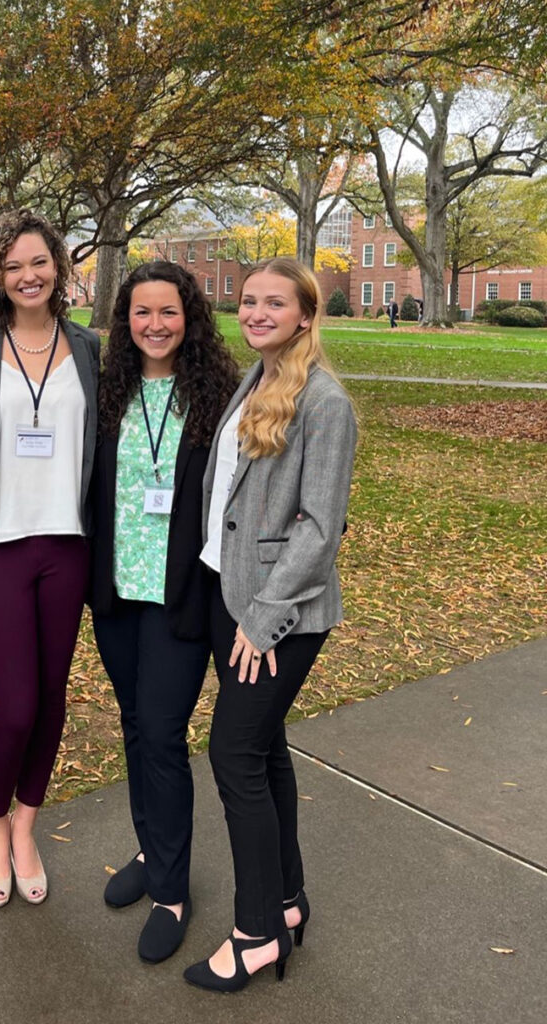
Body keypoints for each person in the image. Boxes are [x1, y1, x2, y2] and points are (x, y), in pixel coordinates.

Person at [184, 258, 356, 992]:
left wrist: (261, 620)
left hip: (277, 614)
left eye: (274, 303)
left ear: (305, 315)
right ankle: (286, 900)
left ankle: (255, 933)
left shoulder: (324, 401)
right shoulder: (256, 378)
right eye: (249, 300)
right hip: (228, 595)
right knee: (263, 749)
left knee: (233, 755)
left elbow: (320, 528)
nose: (256, 312)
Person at [89, 262, 239, 963]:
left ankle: (172, 891)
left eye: (168, 312)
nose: (155, 324)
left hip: (181, 594)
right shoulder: (109, 390)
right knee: (134, 725)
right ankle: (151, 851)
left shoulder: (219, 397)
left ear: (190, 318)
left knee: (162, 733)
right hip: (118, 590)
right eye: (142, 312)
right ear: (126, 319)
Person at [0, 209, 99, 907]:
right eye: (12, 266)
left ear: (58, 267)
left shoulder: (90, 348)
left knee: (51, 699)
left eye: (38, 262)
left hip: (67, 545)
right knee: (15, 707)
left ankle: (25, 826)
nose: (28, 275)